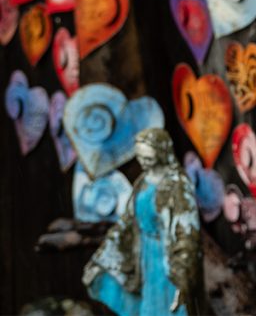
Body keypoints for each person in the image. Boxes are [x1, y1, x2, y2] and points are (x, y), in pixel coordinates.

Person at [83, 128, 205, 315]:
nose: (143, 163)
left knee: (169, 306)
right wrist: (105, 253)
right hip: (144, 255)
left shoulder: (177, 185)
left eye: (148, 158)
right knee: (148, 304)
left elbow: (187, 231)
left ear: (161, 153)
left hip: (167, 258)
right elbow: (127, 219)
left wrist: (183, 273)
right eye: (140, 157)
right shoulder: (143, 181)